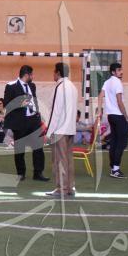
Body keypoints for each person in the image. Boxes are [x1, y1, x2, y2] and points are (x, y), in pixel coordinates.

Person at [3, 65, 48, 183]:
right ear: (27, 75)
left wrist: (38, 114)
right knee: (20, 149)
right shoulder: (11, 86)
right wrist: (19, 104)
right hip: (19, 122)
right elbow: (7, 104)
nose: (33, 77)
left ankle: (38, 173)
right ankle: (21, 173)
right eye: (32, 75)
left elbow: (35, 101)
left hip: (34, 121)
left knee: (38, 148)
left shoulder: (32, 86)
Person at [45, 63, 78, 198]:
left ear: (58, 73)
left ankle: (61, 189)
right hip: (70, 129)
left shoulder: (60, 87)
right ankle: (70, 187)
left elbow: (56, 112)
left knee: (59, 160)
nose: (53, 74)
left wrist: (48, 133)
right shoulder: (73, 87)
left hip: (60, 130)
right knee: (69, 159)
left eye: (54, 72)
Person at [98, 62, 128, 179]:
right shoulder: (117, 83)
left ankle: (113, 167)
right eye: (119, 70)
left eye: (121, 69)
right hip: (119, 116)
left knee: (114, 142)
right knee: (121, 143)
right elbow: (119, 101)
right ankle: (115, 169)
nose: (121, 72)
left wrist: (100, 111)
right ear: (113, 72)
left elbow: (100, 96)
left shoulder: (107, 82)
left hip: (110, 116)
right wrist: (125, 115)